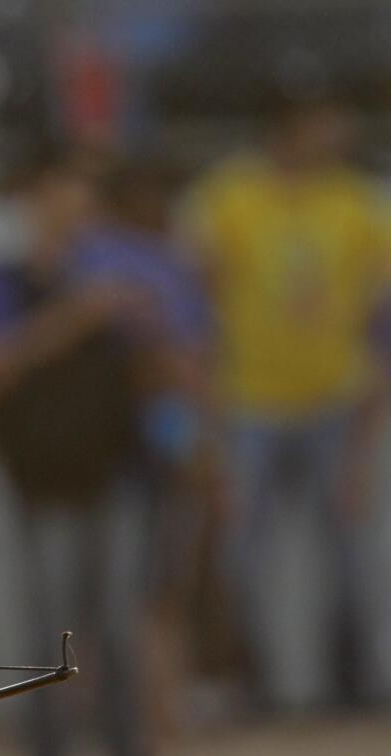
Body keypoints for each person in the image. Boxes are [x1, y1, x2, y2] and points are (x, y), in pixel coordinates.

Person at [0, 150, 171, 756]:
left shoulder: (126, 272)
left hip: (118, 470)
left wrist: (142, 328)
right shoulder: (1, 282)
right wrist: (74, 318)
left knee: (118, 628)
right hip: (42, 479)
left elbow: (174, 367)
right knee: (52, 631)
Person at [185, 87, 391, 709]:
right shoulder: (231, 197)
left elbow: (382, 320)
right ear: (288, 127)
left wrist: (370, 417)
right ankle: (251, 681)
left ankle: (361, 681)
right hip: (250, 399)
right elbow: (200, 306)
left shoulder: (357, 201)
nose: (334, 138)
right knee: (239, 552)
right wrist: (208, 414)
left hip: (337, 396)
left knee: (359, 552)